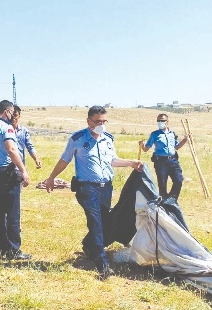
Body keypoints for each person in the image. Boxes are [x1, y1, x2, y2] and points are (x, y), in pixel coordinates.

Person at [44, 105, 143, 279]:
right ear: (88, 121)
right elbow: (64, 160)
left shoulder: (108, 139)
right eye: (98, 121)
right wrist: (52, 177)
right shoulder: (78, 139)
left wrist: (131, 163)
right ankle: (102, 264)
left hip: (106, 187)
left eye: (104, 121)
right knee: (95, 222)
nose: (102, 125)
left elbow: (112, 160)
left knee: (104, 222)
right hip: (86, 187)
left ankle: (89, 245)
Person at [0, 100, 32, 260]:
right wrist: (23, 170)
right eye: (12, 112)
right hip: (7, 172)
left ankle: (1, 247)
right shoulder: (7, 128)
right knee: (12, 213)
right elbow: (11, 149)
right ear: (7, 111)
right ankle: (14, 249)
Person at [139, 113, 189, 201]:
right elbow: (146, 149)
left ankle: (171, 200)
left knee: (179, 180)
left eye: (162, 121)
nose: (160, 122)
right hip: (160, 162)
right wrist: (142, 145)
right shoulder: (154, 134)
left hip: (173, 160)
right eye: (158, 121)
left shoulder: (172, 133)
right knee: (162, 185)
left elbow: (176, 146)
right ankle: (164, 204)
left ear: (167, 122)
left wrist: (185, 140)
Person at [11, 105, 42, 170]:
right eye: (11, 116)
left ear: (19, 116)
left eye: (15, 115)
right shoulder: (3, 131)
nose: (13, 118)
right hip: (6, 167)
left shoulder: (24, 131)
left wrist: (36, 159)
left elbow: (30, 146)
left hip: (20, 167)